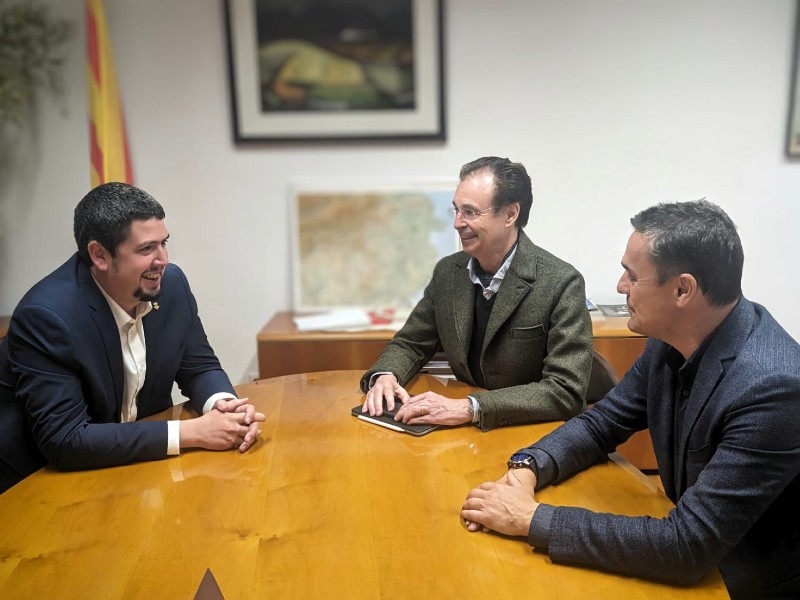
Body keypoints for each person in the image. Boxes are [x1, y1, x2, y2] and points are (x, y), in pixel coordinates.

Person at [461, 199, 800, 598]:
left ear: (682, 289)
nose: (620, 286)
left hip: (742, 577)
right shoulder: (670, 341)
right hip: (691, 543)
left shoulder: (772, 388)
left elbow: (687, 547)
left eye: (631, 275)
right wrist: (527, 468)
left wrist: (532, 518)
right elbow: (601, 423)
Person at [0, 182, 266, 493]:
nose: (163, 259)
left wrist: (225, 408)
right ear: (100, 255)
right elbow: (65, 440)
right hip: (35, 484)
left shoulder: (171, 285)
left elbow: (200, 367)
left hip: (131, 467)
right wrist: (193, 433)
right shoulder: (47, 317)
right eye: (146, 249)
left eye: (164, 243)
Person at [360, 156, 593, 431]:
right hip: (464, 433)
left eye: (470, 212)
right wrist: (387, 376)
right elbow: (411, 342)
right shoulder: (448, 272)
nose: (457, 223)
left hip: (530, 432)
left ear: (510, 214)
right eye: (456, 210)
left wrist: (470, 407)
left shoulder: (561, 282)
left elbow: (566, 390)